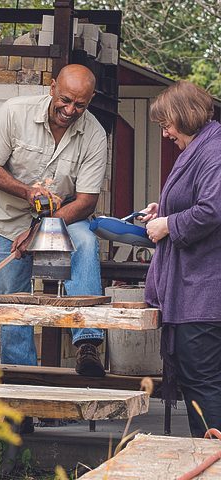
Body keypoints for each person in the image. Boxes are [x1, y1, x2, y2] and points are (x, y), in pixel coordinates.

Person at [0, 64, 108, 378]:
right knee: (14, 307)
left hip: (63, 219)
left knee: (86, 241)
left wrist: (39, 230)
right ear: (52, 88)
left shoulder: (95, 133)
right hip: (8, 222)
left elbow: (86, 200)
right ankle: (21, 392)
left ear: (89, 102)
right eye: (65, 99)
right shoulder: (14, 112)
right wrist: (26, 192)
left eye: (80, 105)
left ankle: (87, 342)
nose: (70, 109)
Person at [140, 81, 221, 438]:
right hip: (196, 287)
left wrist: (169, 224)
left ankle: (210, 462)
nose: (166, 132)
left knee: (201, 378)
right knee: (200, 377)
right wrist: (165, 209)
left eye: (168, 124)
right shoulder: (202, 147)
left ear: (186, 116)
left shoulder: (214, 151)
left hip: (203, 290)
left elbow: (212, 209)